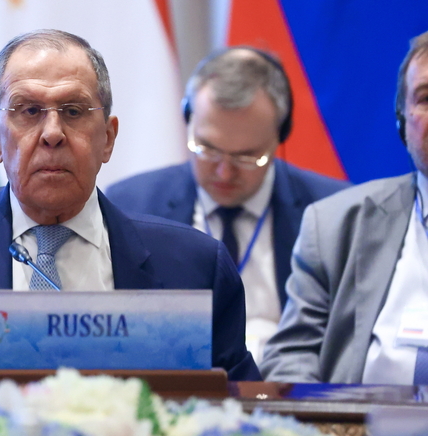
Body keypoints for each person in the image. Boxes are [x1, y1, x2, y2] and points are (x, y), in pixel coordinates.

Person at [0, 29, 260, 382]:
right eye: (29, 111)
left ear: (108, 138)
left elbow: (238, 410)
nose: (52, 133)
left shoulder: (195, 267)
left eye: (73, 111)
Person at [105, 47, 348, 362]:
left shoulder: (334, 212)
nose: (224, 172)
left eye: (247, 156)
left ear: (280, 136)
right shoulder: (130, 205)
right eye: (208, 149)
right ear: (188, 120)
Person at [261, 30, 428, 384]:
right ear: (402, 120)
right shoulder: (334, 226)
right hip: (359, 419)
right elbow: (291, 356)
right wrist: (323, 416)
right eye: (426, 98)